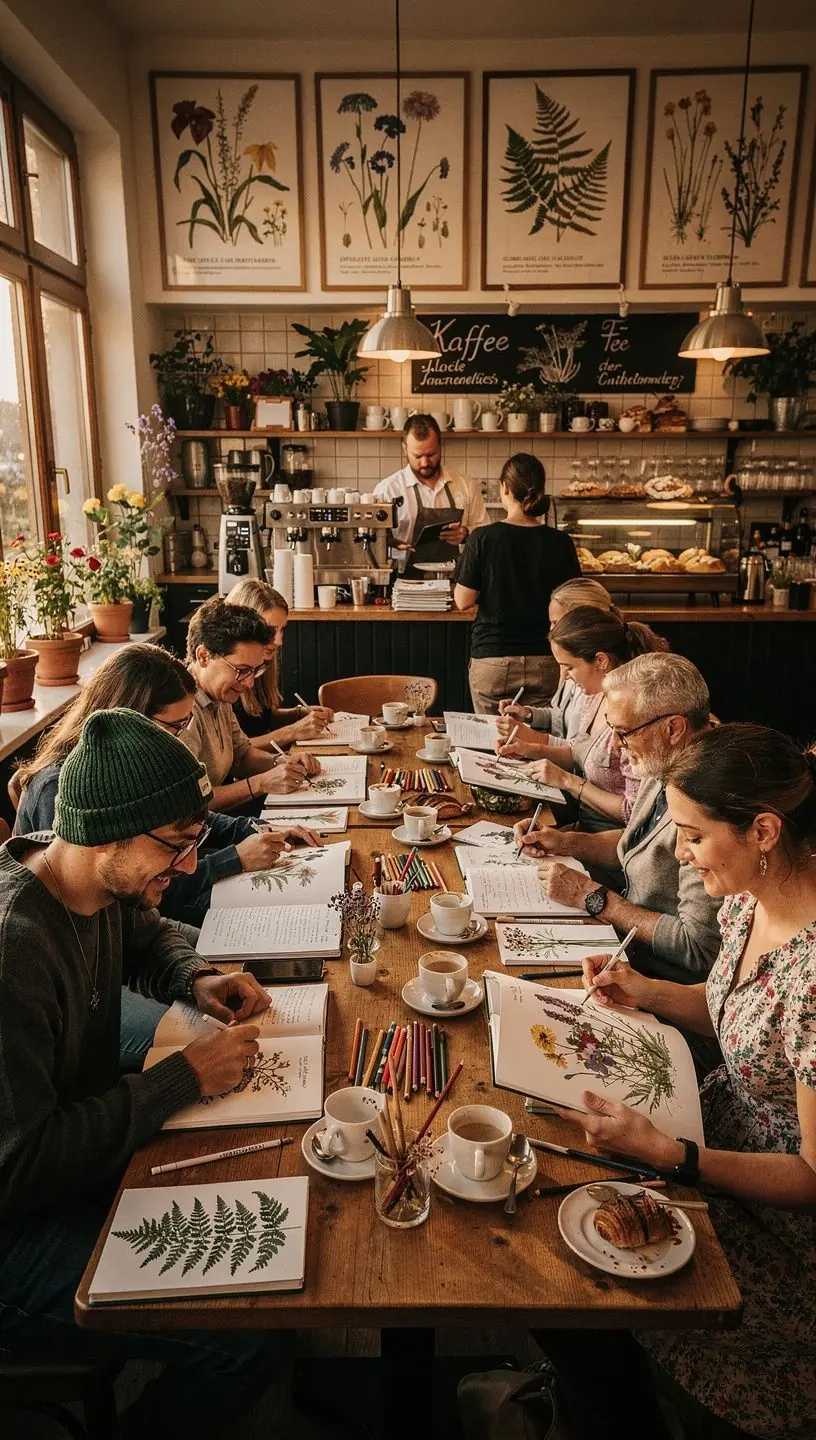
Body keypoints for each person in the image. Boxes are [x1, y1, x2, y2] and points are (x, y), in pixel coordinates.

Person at [0, 709, 285, 1437]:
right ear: (109, 834)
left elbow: (148, 936)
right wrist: (181, 1079)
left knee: (266, 1202)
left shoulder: (89, 883)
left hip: (72, 1173)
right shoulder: (13, 952)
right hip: (16, 1234)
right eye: (177, 846)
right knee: (249, 1336)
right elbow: (19, 1166)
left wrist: (196, 977)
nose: (189, 867)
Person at [538, 723, 816, 1440]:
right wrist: (646, 992)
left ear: (763, 831)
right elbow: (734, 1011)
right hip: (705, 1128)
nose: (682, 854)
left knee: (564, 1280)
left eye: (692, 836)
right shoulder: (750, 898)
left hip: (779, 1226)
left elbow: (813, 1176)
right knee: (545, 1192)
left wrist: (672, 1156)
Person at [13, 643, 318, 936]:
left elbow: (187, 822)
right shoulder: (62, 789)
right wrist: (233, 858)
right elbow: (134, 893)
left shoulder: (135, 766)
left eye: (185, 725)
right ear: (129, 715)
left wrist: (256, 829)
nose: (179, 738)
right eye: (173, 727)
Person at [515, 652, 722, 987]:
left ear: (673, 728)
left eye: (623, 732)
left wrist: (591, 896)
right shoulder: (666, 759)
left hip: (658, 981)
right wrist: (563, 841)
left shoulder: (712, 800)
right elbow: (633, 845)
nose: (615, 744)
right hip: (622, 950)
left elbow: (696, 947)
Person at [506, 607, 668, 828]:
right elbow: (579, 752)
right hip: (583, 824)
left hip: (612, 840)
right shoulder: (595, 695)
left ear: (601, 661)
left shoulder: (635, 716)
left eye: (569, 667)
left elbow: (635, 812)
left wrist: (567, 781)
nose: (564, 676)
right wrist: (529, 750)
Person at [453, 453, 581, 713]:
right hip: (547, 660)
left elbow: (463, 601)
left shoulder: (482, 538)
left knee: (492, 737)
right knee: (540, 733)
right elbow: (576, 603)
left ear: (505, 488)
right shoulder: (561, 542)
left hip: (493, 659)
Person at [185, 596, 320, 812]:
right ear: (203, 656)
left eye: (255, 671)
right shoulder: (180, 712)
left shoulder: (220, 695)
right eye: (242, 670)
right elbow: (189, 801)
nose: (249, 683)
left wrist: (282, 761)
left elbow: (242, 755)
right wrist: (261, 783)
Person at [496, 577, 618, 748]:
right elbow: (559, 716)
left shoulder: (598, 680)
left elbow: (583, 753)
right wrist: (527, 714)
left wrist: (533, 739)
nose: (552, 630)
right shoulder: (573, 665)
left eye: (556, 623)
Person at [373, 413, 489, 570]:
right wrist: (387, 542)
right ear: (404, 448)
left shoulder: (466, 485)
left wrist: (467, 534)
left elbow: (486, 534)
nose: (425, 463)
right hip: (404, 581)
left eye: (431, 454)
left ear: (440, 446)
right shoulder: (387, 490)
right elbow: (373, 541)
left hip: (457, 580)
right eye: (417, 456)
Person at [226, 578, 333, 744]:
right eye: (269, 630)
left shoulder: (260, 664)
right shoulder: (227, 674)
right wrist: (293, 731)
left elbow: (260, 718)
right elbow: (236, 750)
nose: (279, 641)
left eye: (282, 629)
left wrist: (298, 714)